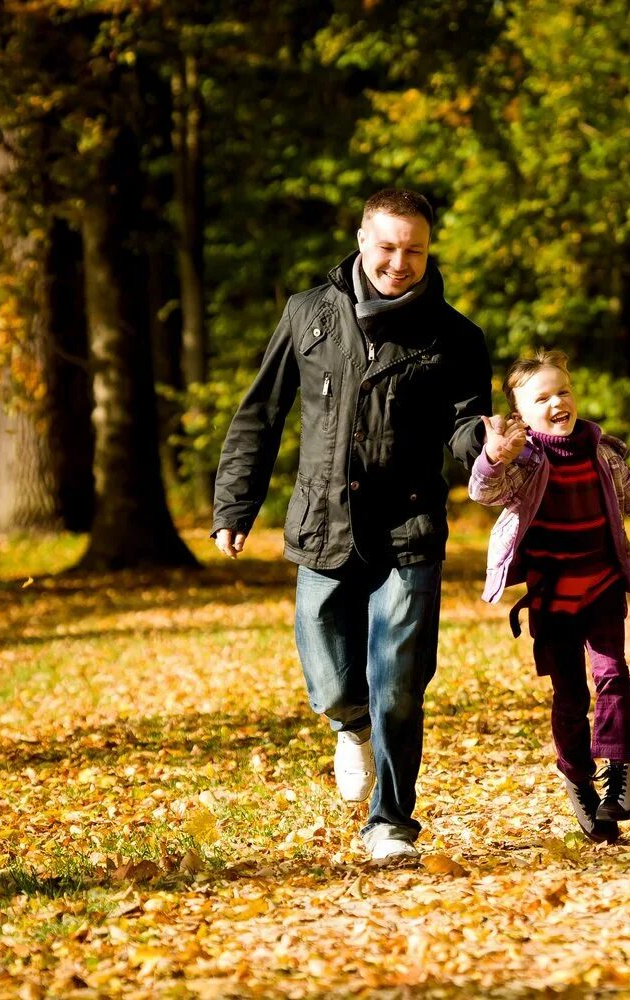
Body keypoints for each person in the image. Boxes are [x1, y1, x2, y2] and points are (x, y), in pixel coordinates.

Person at [211, 188, 492, 864]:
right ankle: (348, 724)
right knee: (332, 673)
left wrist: (487, 449)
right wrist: (234, 505)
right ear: (363, 241)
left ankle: (390, 821)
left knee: (399, 680)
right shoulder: (307, 314)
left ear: (430, 251)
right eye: (389, 247)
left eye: (414, 250)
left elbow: (464, 429)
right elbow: (261, 413)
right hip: (324, 522)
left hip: (409, 528)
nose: (400, 262)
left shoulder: (455, 337)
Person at [471, 350, 630, 842]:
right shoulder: (523, 462)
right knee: (570, 697)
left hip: (601, 586)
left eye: (563, 391)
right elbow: (484, 493)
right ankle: (577, 777)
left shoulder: (602, 453)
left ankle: (617, 773)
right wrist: (493, 457)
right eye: (542, 398)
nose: (557, 403)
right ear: (522, 416)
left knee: (613, 675)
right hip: (551, 597)